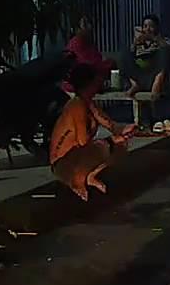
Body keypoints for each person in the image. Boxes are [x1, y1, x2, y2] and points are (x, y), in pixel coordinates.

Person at [50, 63, 135, 201]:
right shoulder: (77, 105)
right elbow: (82, 141)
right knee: (104, 145)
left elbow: (110, 124)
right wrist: (111, 140)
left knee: (121, 145)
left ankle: (90, 175)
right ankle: (78, 180)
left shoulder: (88, 103)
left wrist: (125, 130)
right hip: (63, 163)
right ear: (90, 83)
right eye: (97, 79)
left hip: (76, 157)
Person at [118, 14, 170, 98]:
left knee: (165, 51)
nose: (148, 29)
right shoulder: (139, 42)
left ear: (156, 28)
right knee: (125, 54)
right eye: (145, 26)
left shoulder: (163, 40)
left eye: (151, 26)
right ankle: (134, 85)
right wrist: (135, 43)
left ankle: (157, 82)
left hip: (154, 74)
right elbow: (131, 56)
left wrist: (156, 39)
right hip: (140, 74)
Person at [62, 16, 113, 93]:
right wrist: (106, 64)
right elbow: (88, 65)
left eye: (90, 23)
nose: (89, 27)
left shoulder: (88, 42)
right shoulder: (75, 43)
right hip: (78, 85)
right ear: (77, 29)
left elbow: (97, 59)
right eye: (85, 24)